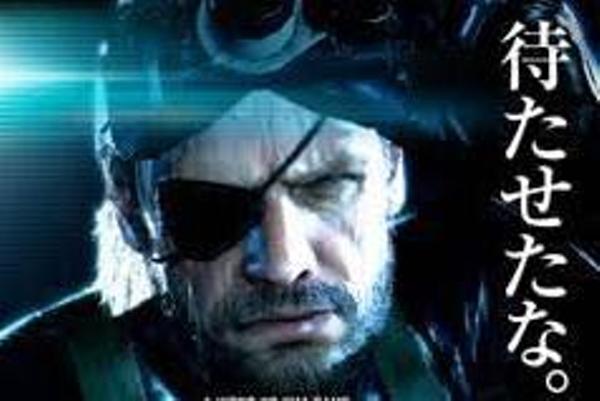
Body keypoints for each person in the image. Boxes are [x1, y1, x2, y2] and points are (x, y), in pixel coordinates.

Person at [1, 1, 597, 400]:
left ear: (393, 172)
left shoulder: (470, 318)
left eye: (328, 187)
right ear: (134, 213)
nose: (284, 264)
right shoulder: (39, 385)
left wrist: (523, 49)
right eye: (212, 210)